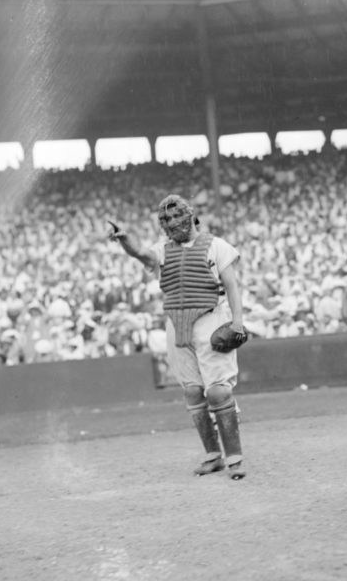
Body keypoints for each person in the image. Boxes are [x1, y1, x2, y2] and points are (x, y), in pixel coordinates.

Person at [109, 194, 248, 480]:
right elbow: (142, 255)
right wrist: (125, 241)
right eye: (166, 219)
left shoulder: (217, 246)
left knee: (218, 390)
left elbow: (232, 286)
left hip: (211, 317)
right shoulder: (163, 249)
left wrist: (237, 321)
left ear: (189, 214)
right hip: (176, 322)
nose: (172, 222)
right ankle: (213, 456)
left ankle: (234, 458)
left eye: (176, 216)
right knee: (193, 391)